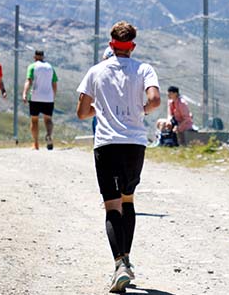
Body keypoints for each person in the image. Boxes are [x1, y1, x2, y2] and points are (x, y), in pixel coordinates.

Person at [76, 21, 161, 292]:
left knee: (112, 206)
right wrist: (142, 111)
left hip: (107, 145)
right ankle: (127, 260)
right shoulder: (144, 69)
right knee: (128, 199)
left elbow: (82, 112)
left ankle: (120, 263)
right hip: (135, 144)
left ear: (111, 44)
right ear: (132, 46)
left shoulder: (95, 71)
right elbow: (155, 100)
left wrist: (101, 110)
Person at [23, 50, 58, 150]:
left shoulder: (32, 66)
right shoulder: (50, 67)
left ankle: (36, 143)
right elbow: (54, 83)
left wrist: (25, 93)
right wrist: (53, 96)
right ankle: (49, 135)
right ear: (43, 57)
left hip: (35, 96)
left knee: (34, 120)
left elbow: (29, 81)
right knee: (48, 119)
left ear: (34, 57)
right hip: (48, 97)